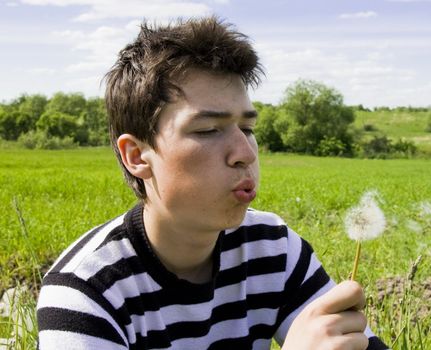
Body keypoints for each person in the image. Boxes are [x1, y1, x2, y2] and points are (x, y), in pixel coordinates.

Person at [36, 16, 388, 350]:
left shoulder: (275, 249)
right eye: (207, 130)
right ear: (137, 156)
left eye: (247, 129)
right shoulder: (86, 293)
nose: (245, 152)